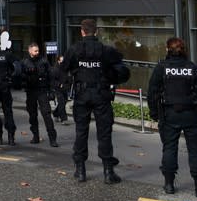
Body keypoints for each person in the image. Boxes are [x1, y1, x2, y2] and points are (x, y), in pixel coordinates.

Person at [61, 18, 125, 184]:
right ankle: (108, 172)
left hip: (82, 95)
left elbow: (62, 70)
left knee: (81, 132)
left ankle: (80, 171)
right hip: (101, 95)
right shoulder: (105, 50)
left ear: (82, 32)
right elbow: (121, 66)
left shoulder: (74, 50)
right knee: (104, 133)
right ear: (96, 32)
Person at [147, 37, 197, 198]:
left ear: (167, 50)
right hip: (192, 114)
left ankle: (169, 185)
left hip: (169, 115)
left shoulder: (161, 68)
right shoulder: (194, 68)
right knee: (196, 151)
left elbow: (152, 93)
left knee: (169, 148)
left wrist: (155, 113)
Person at [19, 43, 58, 147]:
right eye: (35, 51)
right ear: (30, 51)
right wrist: (26, 79)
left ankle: (52, 139)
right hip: (31, 91)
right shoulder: (24, 62)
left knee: (46, 114)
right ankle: (35, 136)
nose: (37, 52)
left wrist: (51, 90)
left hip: (42, 90)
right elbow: (20, 76)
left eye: (38, 50)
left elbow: (50, 75)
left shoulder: (43, 61)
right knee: (32, 115)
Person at [50, 55, 69, 123]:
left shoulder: (65, 69)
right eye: (62, 61)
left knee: (64, 101)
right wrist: (59, 84)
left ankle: (55, 113)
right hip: (58, 88)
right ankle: (64, 119)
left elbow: (67, 78)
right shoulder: (55, 69)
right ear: (58, 61)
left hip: (64, 88)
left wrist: (68, 83)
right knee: (61, 102)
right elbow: (52, 80)